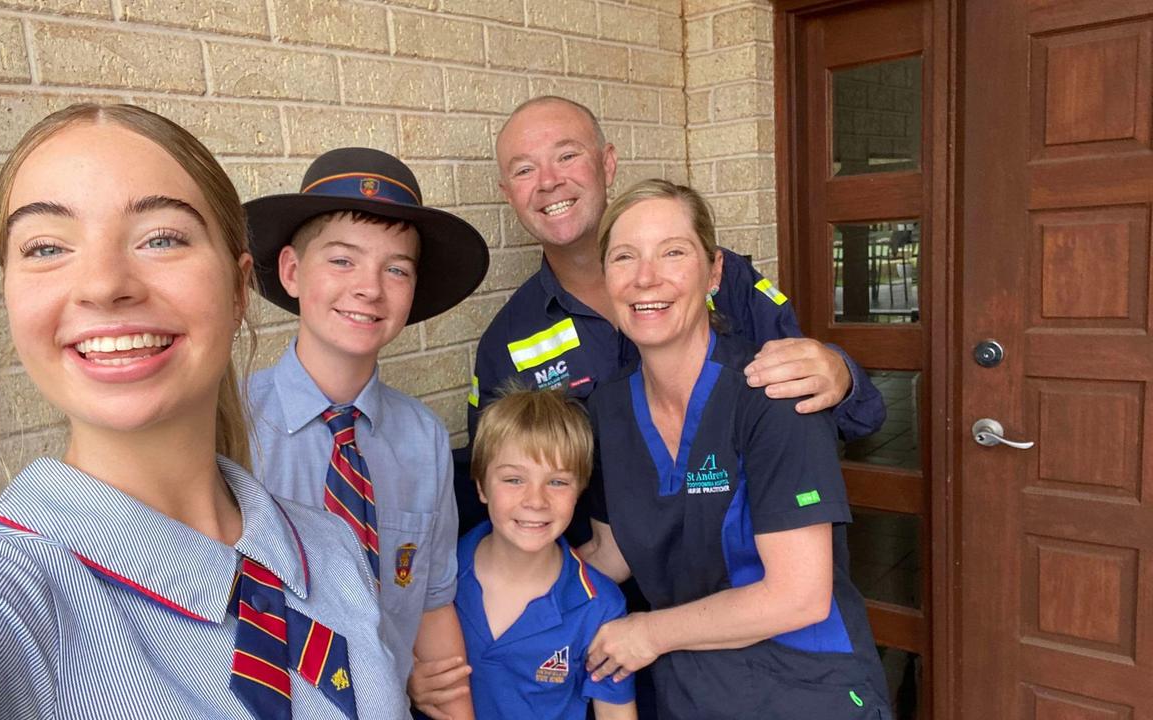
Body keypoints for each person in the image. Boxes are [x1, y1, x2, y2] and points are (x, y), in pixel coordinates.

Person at [0, 104, 405, 719]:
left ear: (237, 290)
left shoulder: (333, 547)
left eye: (161, 238)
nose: (103, 284)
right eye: (46, 247)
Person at [579, 179, 891, 719]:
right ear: (606, 279)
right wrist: (502, 583)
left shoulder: (772, 393)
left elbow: (800, 595)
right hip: (695, 690)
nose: (645, 277)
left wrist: (647, 632)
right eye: (624, 257)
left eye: (673, 252)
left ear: (714, 271)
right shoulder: (607, 411)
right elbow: (613, 554)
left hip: (808, 688)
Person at [468, 95, 885, 461]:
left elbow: (840, 413)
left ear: (607, 163)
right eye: (524, 170)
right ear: (508, 193)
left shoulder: (723, 277)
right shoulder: (508, 341)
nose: (548, 181)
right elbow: (496, 482)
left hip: (748, 539)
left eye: (566, 156)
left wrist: (839, 375)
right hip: (607, 546)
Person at [244, 147, 490, 720]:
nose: (369, 288)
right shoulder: (224, 428)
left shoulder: (422, 439)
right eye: (342, 261)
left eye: (396, 268)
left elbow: (430, 608)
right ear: (291, 271)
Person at [457, 388, 636, 720]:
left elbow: (616, 714)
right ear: (481, 486)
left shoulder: (599, 606)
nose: (535, 501)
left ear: (580, 490)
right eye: (513, 479)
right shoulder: (440, 573)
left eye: (557, 482)